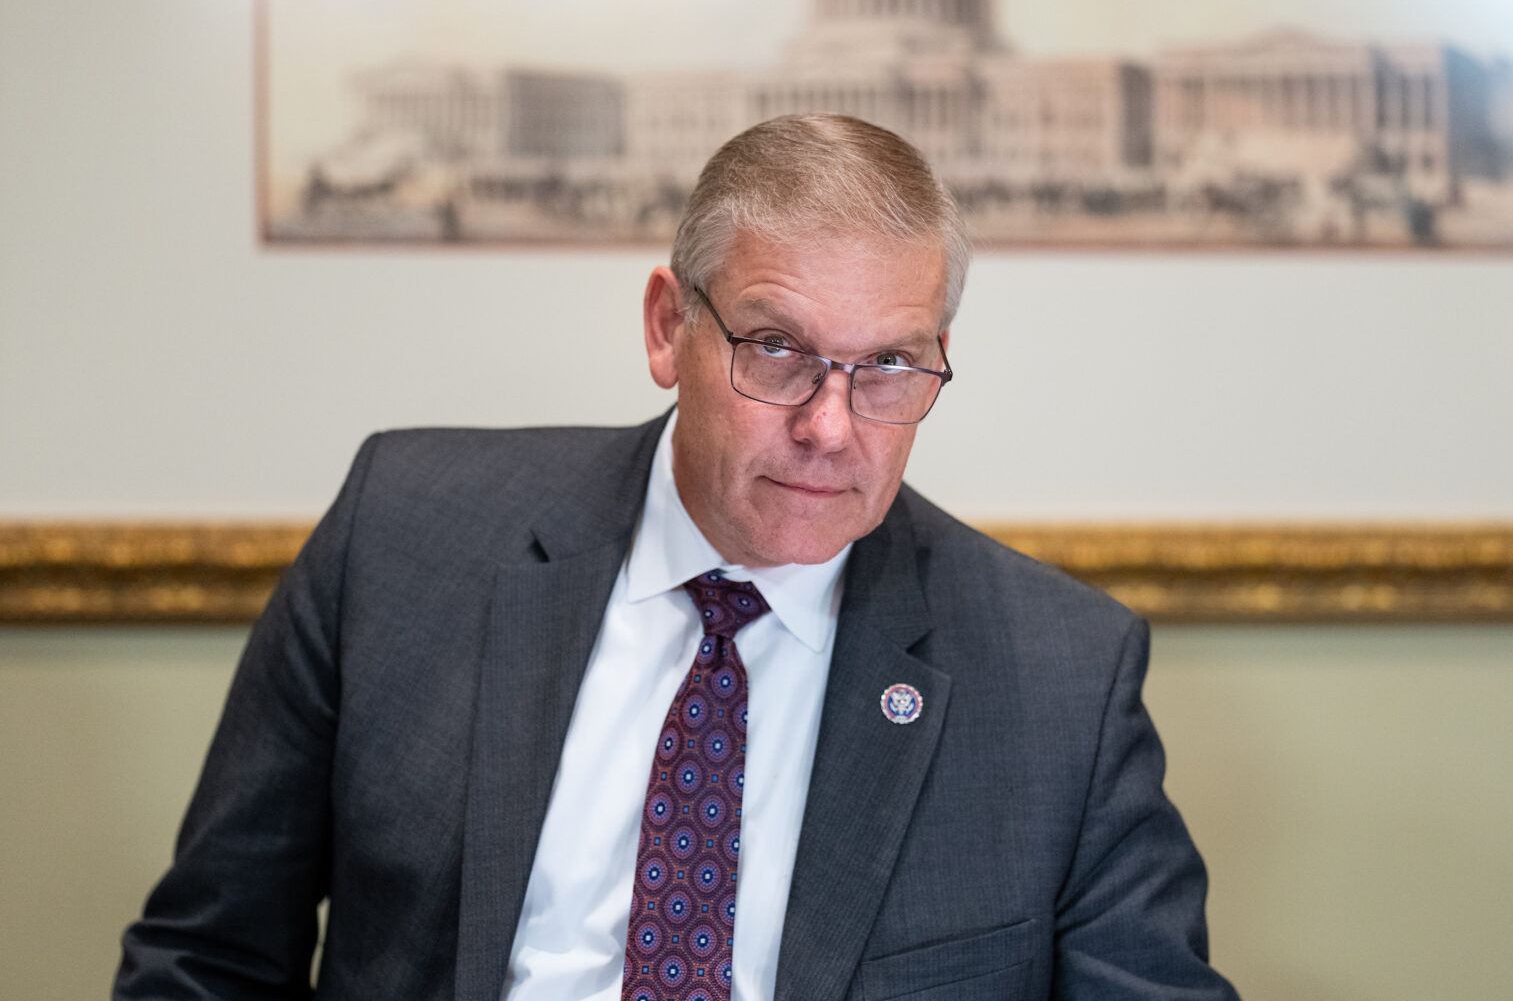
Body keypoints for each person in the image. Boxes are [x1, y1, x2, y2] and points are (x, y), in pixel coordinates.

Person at [117, 114, 1238, 1001]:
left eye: (891, 363)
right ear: (668, 328)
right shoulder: (405, 539)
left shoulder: (1057, 677)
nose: (832, 426)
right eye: (779, 348)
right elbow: (206, 962)